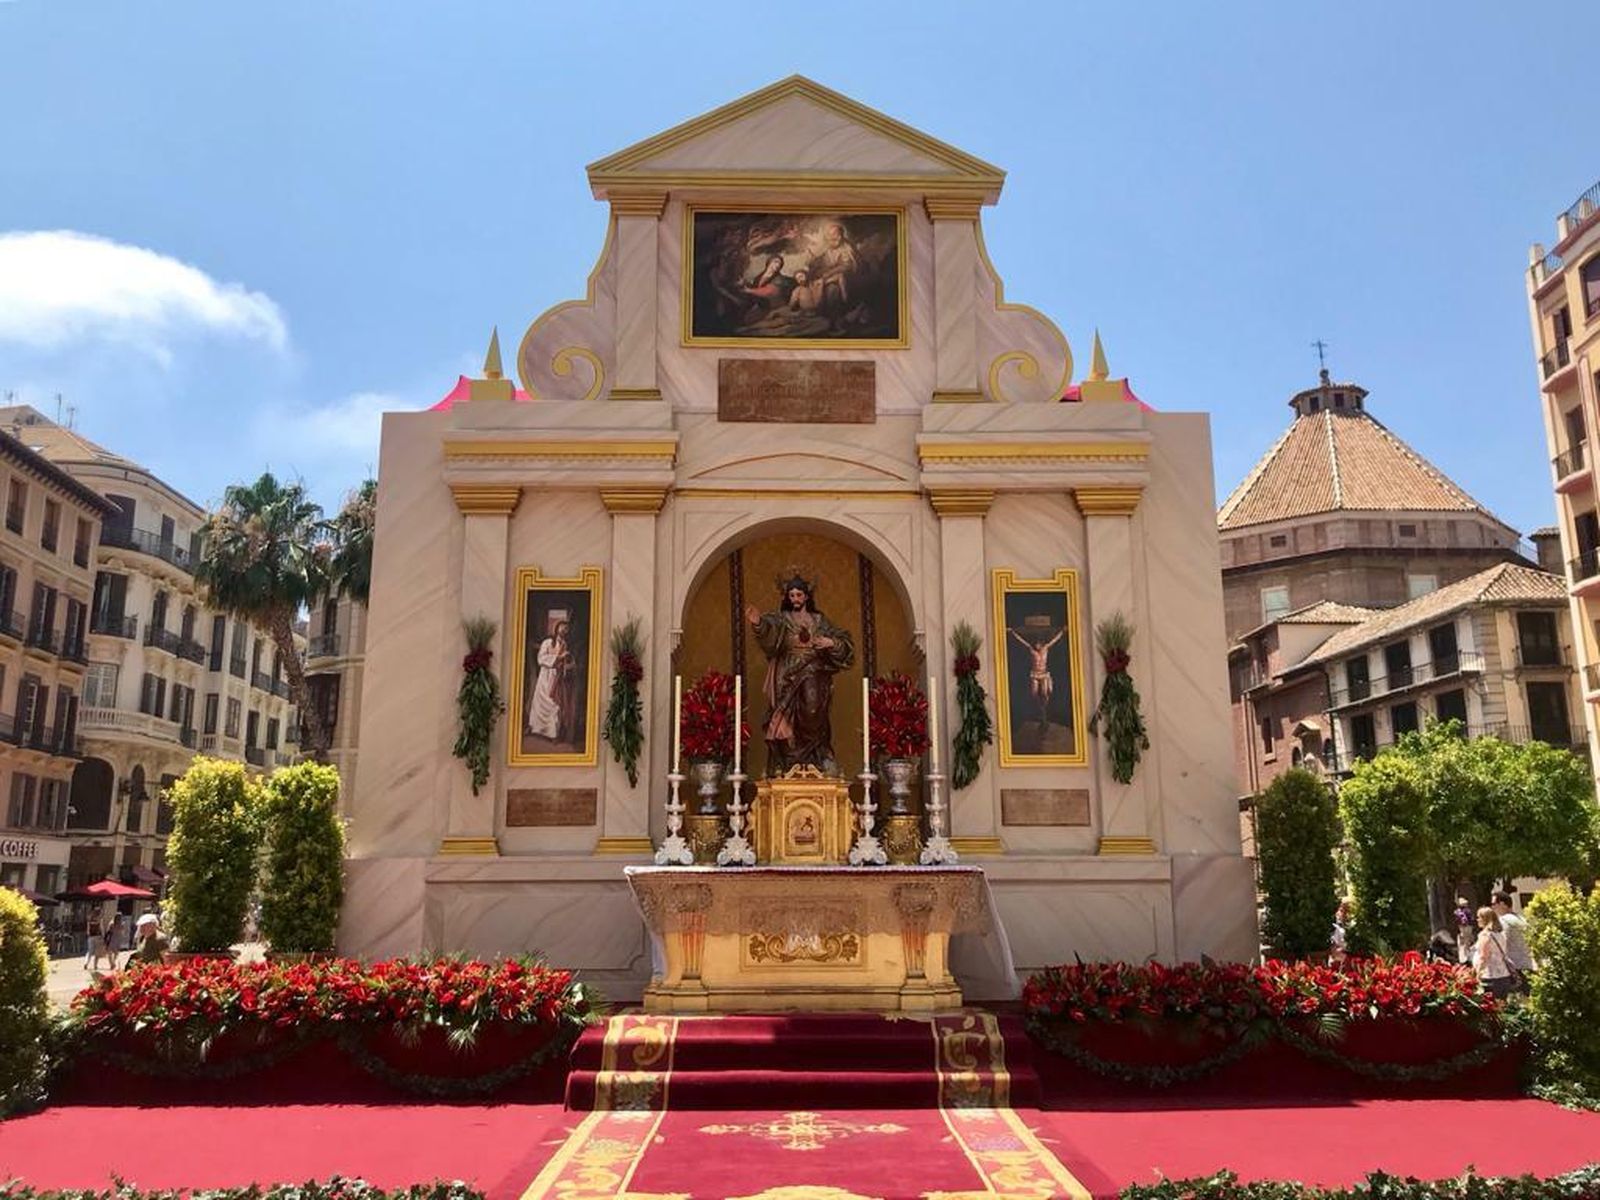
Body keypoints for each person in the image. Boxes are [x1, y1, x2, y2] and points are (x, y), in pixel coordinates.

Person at [745, 572, 855, 775]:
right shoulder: (782, 619)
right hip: (786, 674)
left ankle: (816, 757)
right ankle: (789, 762)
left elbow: (843, 641)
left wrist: (831, 643)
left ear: (806, 597)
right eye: (792, 595)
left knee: (813, 710)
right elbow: (769, 633)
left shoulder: (819, 620)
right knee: (787, 719)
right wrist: (758, 622)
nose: (795, 599)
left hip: (815, 672)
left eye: (799, 595)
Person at [527, 618, 575, 742]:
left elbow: (565, 662)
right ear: (556, 628)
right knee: (541, 702)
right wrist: (558, 657)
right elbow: (541, 659)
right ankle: (536, 728)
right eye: (562, 627)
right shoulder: (548, 642)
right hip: (545, 676)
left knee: (555, 704)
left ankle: (553, 733)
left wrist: (567, 664)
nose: (564, 630)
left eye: (566, 628)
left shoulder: (564, 644)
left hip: (557, 677)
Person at [1008, 626, 1066, 726]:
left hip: (1044, 674)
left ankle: (1044, 711)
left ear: (1041, 643)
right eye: (1036, 643)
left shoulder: (1046, 648)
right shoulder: (1032, 651)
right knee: (1034, 693)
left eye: (1038, 643)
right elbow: (1023, 642)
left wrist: (1062, 632)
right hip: (1035, 674)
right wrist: (1013, 633)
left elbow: (1055, 640)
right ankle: (1041, 708)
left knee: (1045, 693)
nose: (1037, 645)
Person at [1491, 891, 1534, 989]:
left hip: (1514, 967)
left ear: (1502, 904)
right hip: (1527, 963)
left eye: (1494, 904)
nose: (1492, 907)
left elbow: (1502, 942)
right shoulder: (1522, 919)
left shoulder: (1504, 920)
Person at [1471, 906, 1514, 999]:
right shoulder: (1500, 934)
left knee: (1491, 1007)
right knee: (1502, 1005)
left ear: (1485, 919)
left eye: (1479, 917)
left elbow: (1483, 957)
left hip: (1490, 977)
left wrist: (1476, 974)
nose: (1477, 920)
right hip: (1504, 976)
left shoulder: (1485, 935)